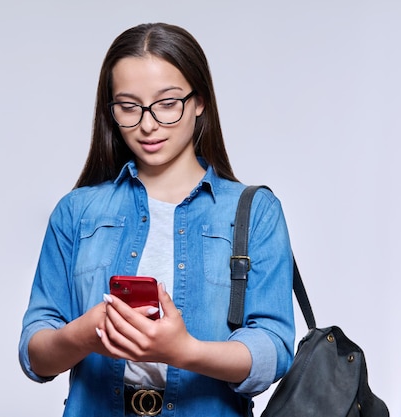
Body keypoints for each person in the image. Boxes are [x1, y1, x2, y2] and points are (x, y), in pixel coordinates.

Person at [19, 22, 295, 417]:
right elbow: (35, 354)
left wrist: (185, 351)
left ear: (199, 101)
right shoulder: (77, 212)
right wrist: (86, 334)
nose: (147, 125)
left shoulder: (255, 212)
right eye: (129, 107)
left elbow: (275, 349)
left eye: (167, 104)